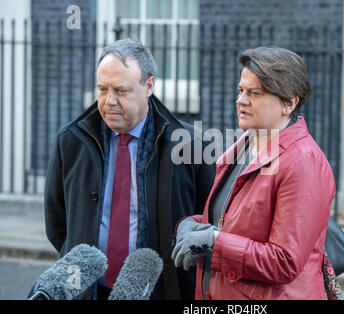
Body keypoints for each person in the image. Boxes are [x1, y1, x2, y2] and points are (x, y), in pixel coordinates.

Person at [43, 38, 215, 300]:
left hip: (161, 290)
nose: (109, 101)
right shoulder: (70, 141)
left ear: (148, 86)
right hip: (88, 290)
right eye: (102, 89)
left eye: (121, 91)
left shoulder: (193, 145)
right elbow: (58, 224)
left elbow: (207, 220)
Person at [171, 46, 336, 299]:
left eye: (255, 93)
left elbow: (285, 261)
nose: (241, 100)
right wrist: (190, 225)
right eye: (241, 90)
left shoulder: (303, 161)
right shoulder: (244, 147)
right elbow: (232, 223)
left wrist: (216, 242)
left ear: (289, 103)